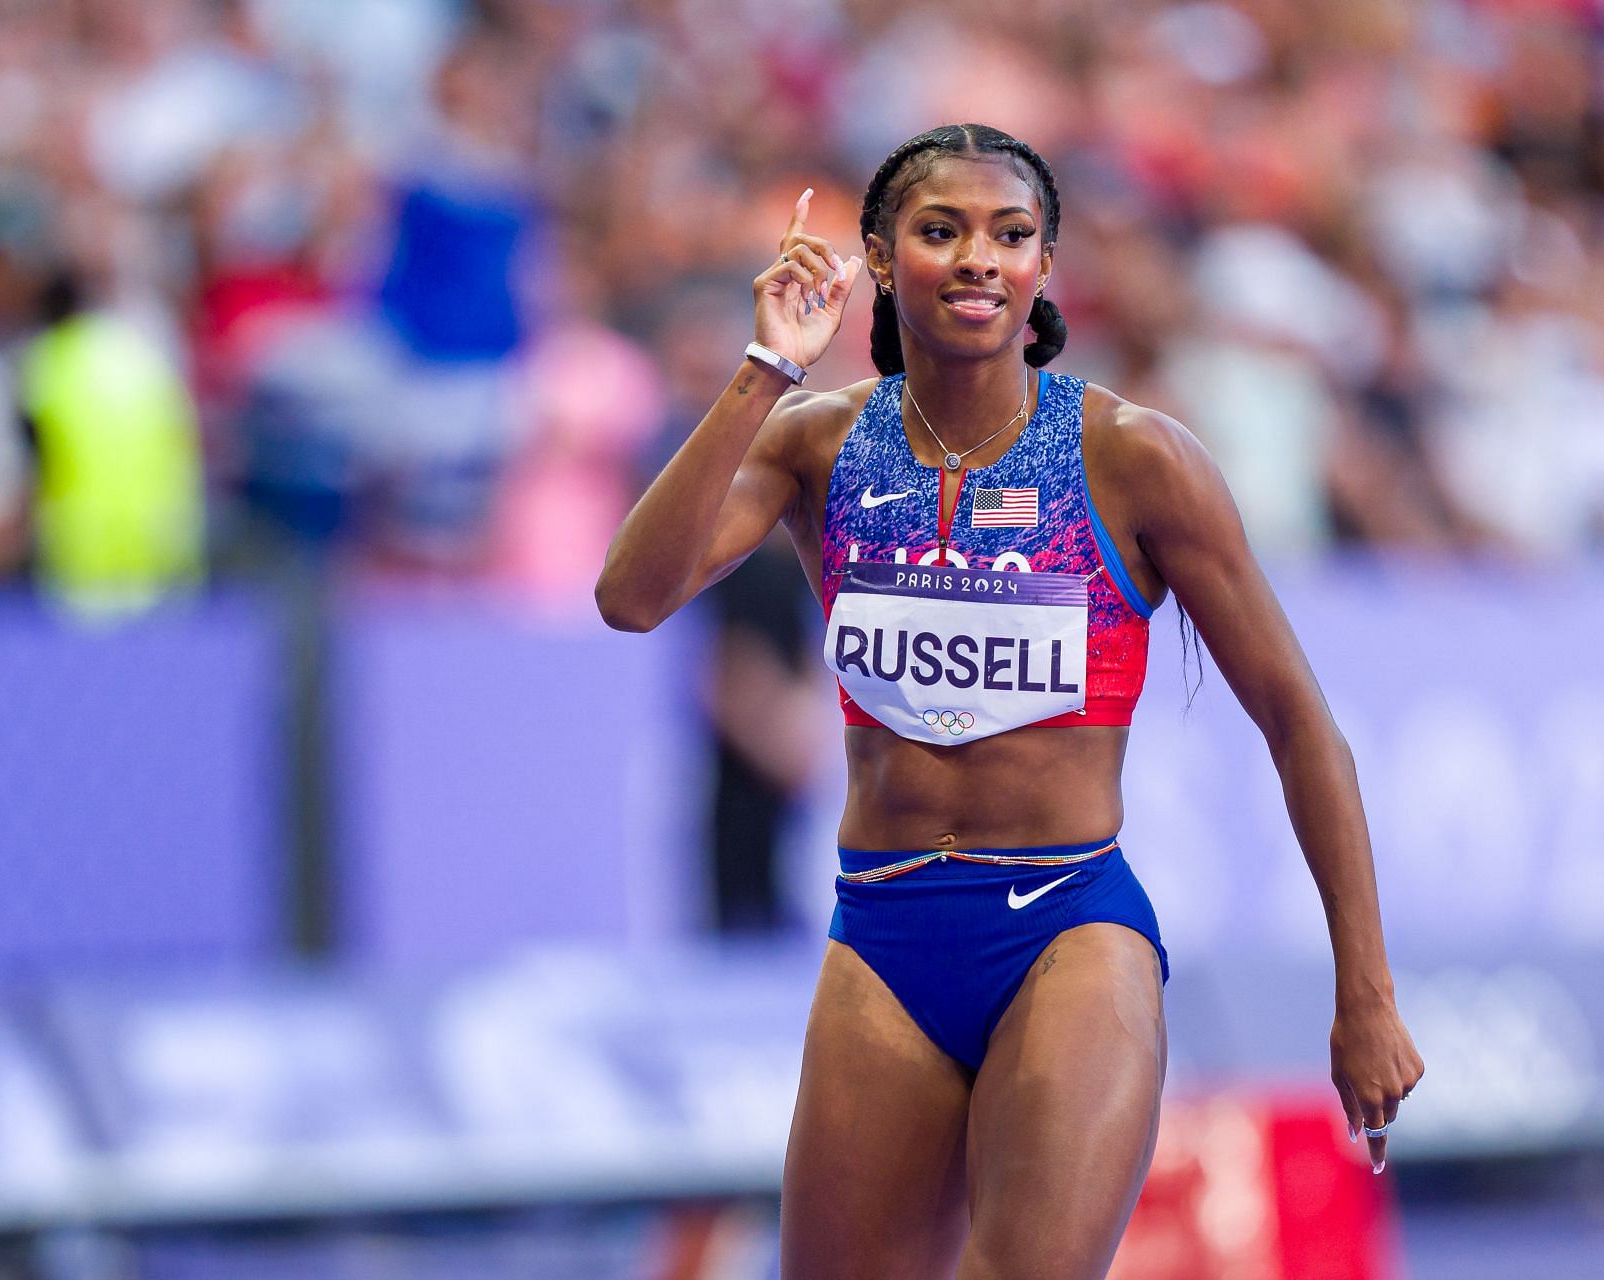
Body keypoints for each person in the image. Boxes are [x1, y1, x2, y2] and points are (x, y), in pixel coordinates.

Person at [595, 123, 1424, 1278]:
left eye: (1011, 234)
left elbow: (1299, 723)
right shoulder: (817, 444)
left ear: (1044, 266)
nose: (979, 257)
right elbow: (632, 597)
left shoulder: (1135, 458)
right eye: (941, 231)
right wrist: (767, 365)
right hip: (881, 934)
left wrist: (1366, 995)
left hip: (1068, 927)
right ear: (882, 259)